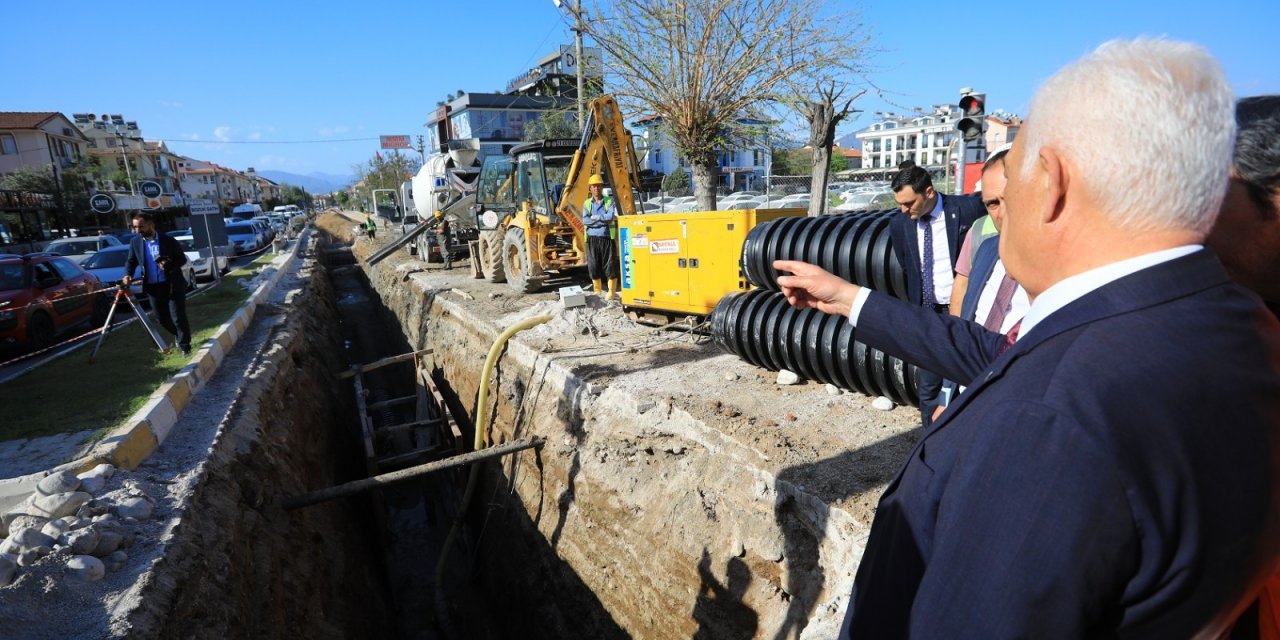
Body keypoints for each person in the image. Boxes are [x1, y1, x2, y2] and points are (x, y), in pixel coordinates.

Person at [775, 39, 1280, 637]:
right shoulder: (1229, 325)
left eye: (1010, 181)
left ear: (1055, 184)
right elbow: (1001, 356)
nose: (997, 211)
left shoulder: (1048, 422)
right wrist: (849, 298)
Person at [886, 159, 983, 427]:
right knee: (928, 384)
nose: (903, 210)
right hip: (928, 312)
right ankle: (931, 439)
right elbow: (909, 268)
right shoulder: (900, 224)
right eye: (899, 204)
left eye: (909, 203)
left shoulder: (966, 210)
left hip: (962, 309)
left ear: (929, 192)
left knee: (966, 377)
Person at [934, 145, 1029, 417]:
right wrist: (947, 393)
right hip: (968, 395)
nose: (1002, 212)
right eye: (992, 203)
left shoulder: (1063, 266)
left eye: (1010, 197)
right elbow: (965, 322)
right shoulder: (986, 249)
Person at [122, 212, 192, 356]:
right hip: (153, 287)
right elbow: (131, 261)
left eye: (140, 226)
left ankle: (185, 346)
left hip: (172, 284)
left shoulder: (168, 240)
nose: (137, 230)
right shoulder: (135, 242)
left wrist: (169, 265)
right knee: (161, 318)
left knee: (178, 316)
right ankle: (180, 335)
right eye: (134, 227)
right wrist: (127, 274)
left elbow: (182, 259)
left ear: (151, 225)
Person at [582, 174, 619, 299]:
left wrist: (596, 218)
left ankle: (611, 292)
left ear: (602, 187)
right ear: (590, 189)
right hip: (592, 240)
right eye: (594, 186)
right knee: (593, 266)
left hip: (607, 239)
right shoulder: (587, 204)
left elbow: (610, 217)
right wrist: (602, 220)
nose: (596, 188)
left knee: (610, 265)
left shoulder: (609, 201)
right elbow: (585, 220)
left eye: (599, 186)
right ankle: (597, 291)